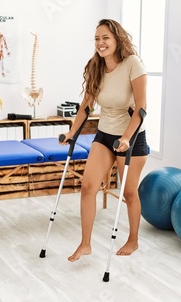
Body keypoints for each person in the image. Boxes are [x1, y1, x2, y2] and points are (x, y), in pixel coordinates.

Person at [61, 19, 148, 262]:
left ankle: (133, 240)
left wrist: (127, 138)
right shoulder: (95, 66)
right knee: (88, 187)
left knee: (129, 192)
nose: (101, 43)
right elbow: (86, 106)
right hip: (105, 134)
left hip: (132, 136)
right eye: (97, 39)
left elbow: (141, 108)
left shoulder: (133, 64)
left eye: (106, 38)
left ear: (117, 39)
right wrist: (71, 132)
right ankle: (85, 243)